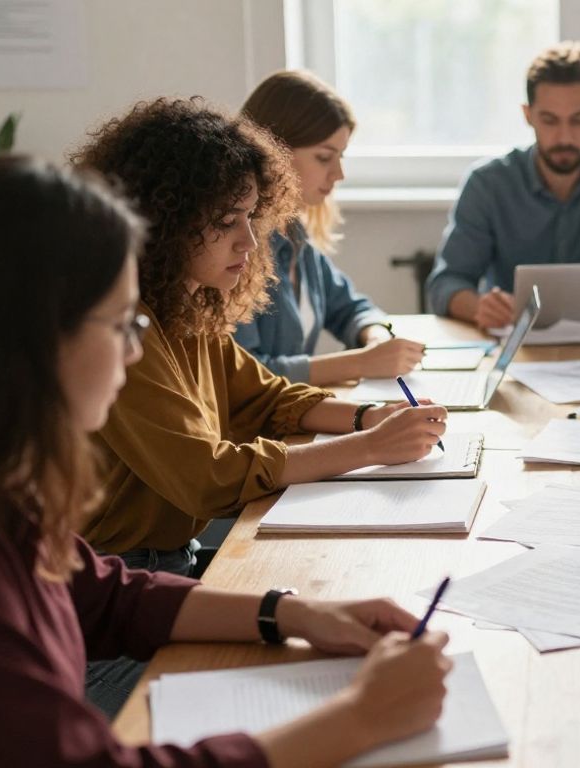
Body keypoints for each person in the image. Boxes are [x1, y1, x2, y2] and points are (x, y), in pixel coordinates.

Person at [0, 155, 450, 768]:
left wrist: (296, 613)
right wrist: (361, 718)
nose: (134, 352)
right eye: (121, 324)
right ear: (33, 338)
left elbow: (107, 597)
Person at [71, 97, 447, 714]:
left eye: (251, 216)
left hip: (166, 577)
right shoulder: (125, 333)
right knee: (299, 693)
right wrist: (368, 449)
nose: (250, 240)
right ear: (164, 223)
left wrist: (364, 418)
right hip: (114, 614)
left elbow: (264, 395)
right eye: (226, 221)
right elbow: (206, 478)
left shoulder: (184, 310)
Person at [425, 41, 580, 329]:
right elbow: (446, 283)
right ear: (528, 115)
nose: (564, 137)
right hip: (517, 344)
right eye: (550, 120)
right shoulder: (488, 183)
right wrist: (480, 307)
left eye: (578, 120)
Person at [233, 70, 426, 386]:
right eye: (324, 157)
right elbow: (244, 376)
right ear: (273, 153)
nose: (339, 174)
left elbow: (350, 306)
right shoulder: (239, 248)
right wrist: (361, 363)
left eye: (341, 156)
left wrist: (374, 336)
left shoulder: (293, 234)